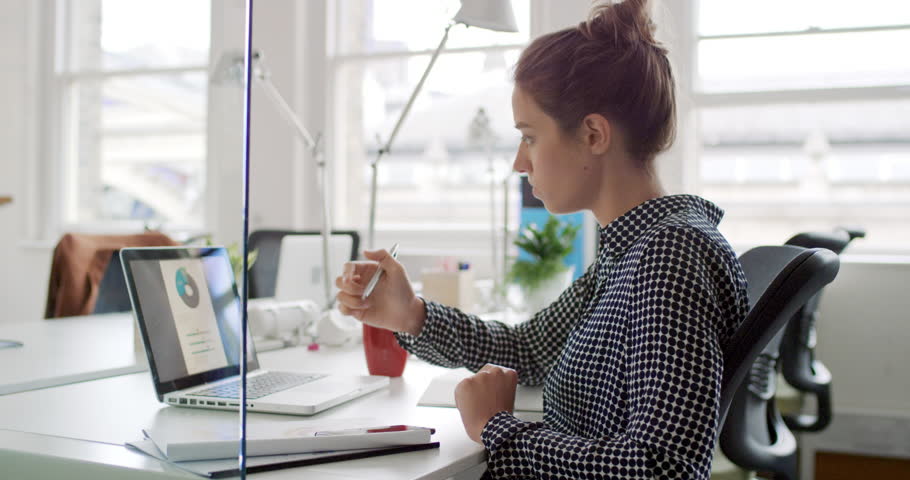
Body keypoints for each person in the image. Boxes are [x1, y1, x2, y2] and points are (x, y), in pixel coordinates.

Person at [335, 0, 749, 478]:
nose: (519, 162)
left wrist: (497, 428)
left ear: (594, 134)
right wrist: (411, 314)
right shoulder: (629, 251)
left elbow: (664, 469)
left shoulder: (669, 256)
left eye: (529, 136)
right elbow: (531, 350)